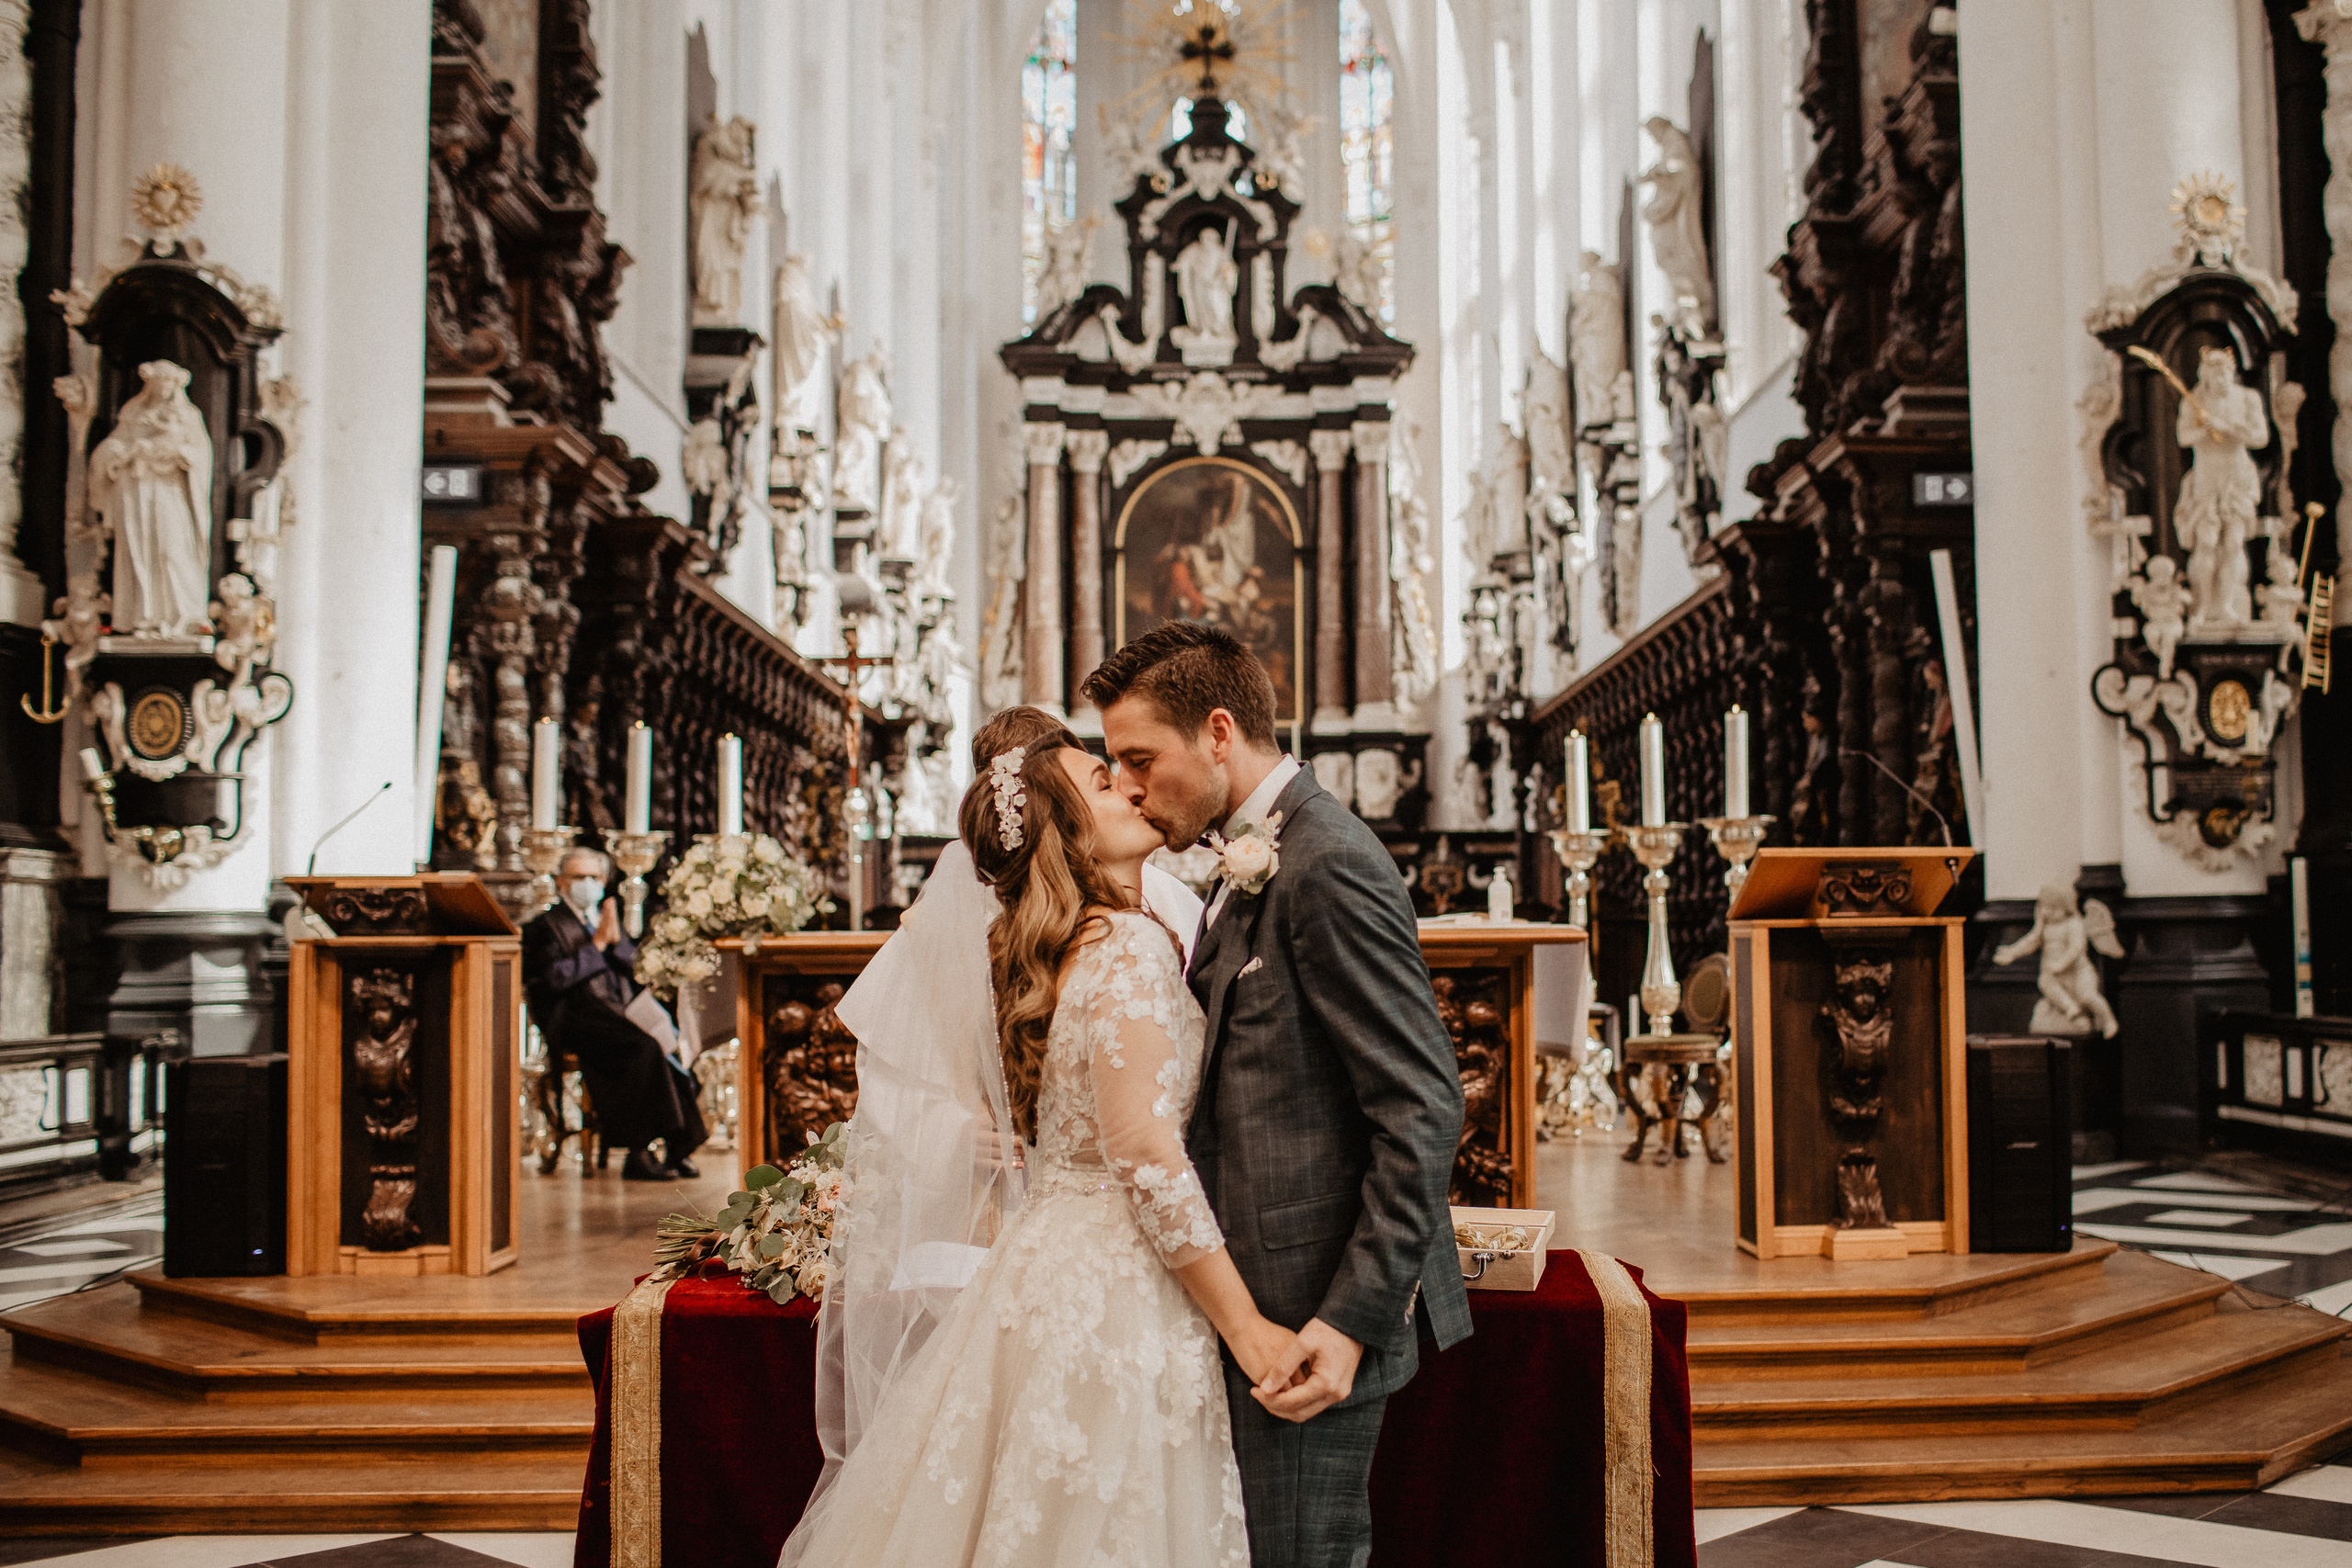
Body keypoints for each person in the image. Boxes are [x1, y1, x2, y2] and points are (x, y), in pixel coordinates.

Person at [778, 728, 1270, 1568]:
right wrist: (1247, 1326)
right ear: (1069, 834)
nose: (1132, 787)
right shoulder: (1128, 948)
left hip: (1048, 1261)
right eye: (1103, 782)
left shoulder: (1068, 946)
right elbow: (1147, 1158)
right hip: (1120, 1279)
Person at [1083, 621, 1473, 1568]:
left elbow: (1421, 1104)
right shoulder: (1254, 852)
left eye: (1140, 759)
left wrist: (1348, 1323)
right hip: (1263, 1299)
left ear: (1218, 732)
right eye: (1115, 766)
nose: (1128, 786)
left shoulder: (1325, 860)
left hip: (1310, 1317)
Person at [521, 848, 707, 1182]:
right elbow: (553, 979)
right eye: (579, 877)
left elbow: (636, 968)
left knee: (668, 1043)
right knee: (642, 1048)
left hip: (614, 1013)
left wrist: (615, 940)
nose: (587, 884)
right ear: (561, 881)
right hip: (573, 1018)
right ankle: (638, 1150)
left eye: (594, 877)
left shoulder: (603, 917)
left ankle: (679, 1144)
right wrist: (597, 945)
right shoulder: (544, 926)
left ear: (604, 880)